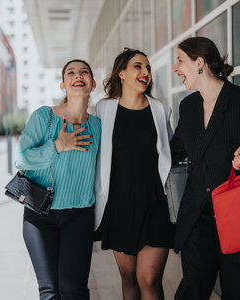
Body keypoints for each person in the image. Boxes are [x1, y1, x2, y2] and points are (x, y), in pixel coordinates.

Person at [171, 36, 240, 300]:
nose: (175, 68)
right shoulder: (188, 107)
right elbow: (174, 151)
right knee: (191, 291)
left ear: (200, 63)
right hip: (198, 217)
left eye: (180, 60)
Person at [15, 59, 101, 300]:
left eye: (84, 72)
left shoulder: (97, 126)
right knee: (50, 292)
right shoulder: (44, 117)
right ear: (63, 85)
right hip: (40, 215)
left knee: (74, 291)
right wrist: (57, 146)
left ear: (92, 83)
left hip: (80, 215)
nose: (78, 75)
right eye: (71, 73)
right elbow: (21, 159)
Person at [94, 48, 174, 300]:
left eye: (148, 68)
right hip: (120, 206)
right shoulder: (104, 110)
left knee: (148, 278)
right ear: (122, 73)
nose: (145, 72)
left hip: (155, 204)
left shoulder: (161, 110)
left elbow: (172, 153)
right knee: (129, 279)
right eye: (138, 66)